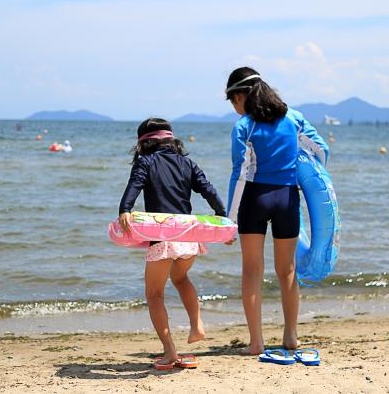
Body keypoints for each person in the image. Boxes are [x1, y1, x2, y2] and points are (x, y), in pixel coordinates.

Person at [224, 67, 329, 355]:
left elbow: (239, 175)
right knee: (288, 271)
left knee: (252, 272)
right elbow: (321, 151)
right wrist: (305, 173)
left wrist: (229, 221)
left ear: (242, 96)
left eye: (233, 100)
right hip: (286, 199)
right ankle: (291, 337)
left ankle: (256, 343)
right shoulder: (293, 118)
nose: (234, 107)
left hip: (255, 200)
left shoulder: (244, 127)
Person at [117, 117, 226, 369]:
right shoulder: (187, 163)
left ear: (143, 144)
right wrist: (221, 217)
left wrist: (125, 209)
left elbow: (134, 186)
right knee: (180, 278)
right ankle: (196, 324)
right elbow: (208, 189)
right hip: (188, 238)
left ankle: (169, 352)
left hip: (164, 238)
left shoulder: (145, 162)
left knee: (154, 294)